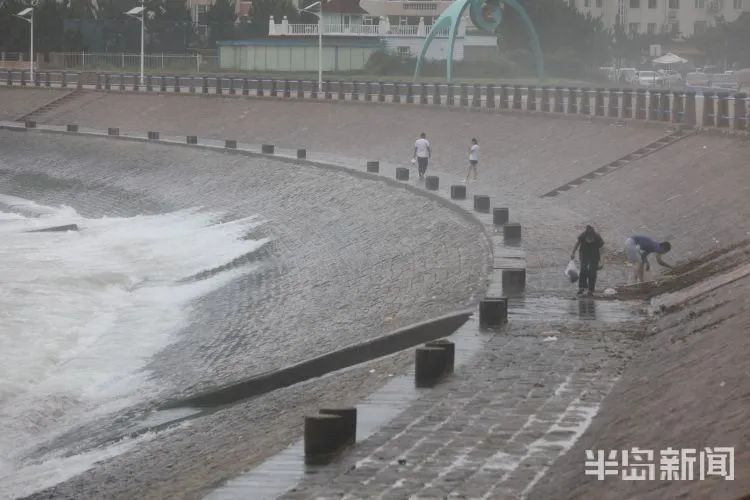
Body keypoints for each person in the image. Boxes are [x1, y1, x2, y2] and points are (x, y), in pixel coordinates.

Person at [570, 225, 604, 296]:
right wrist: (573, 253)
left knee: (592, 272)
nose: (589, 241)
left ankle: (590, 290)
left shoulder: (597, 237)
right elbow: (577, 244)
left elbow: (601, 249)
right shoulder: (582, 235)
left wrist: (602, 261)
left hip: (594, 255)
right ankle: (581, 288)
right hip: (584, 254)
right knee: (583, 270)